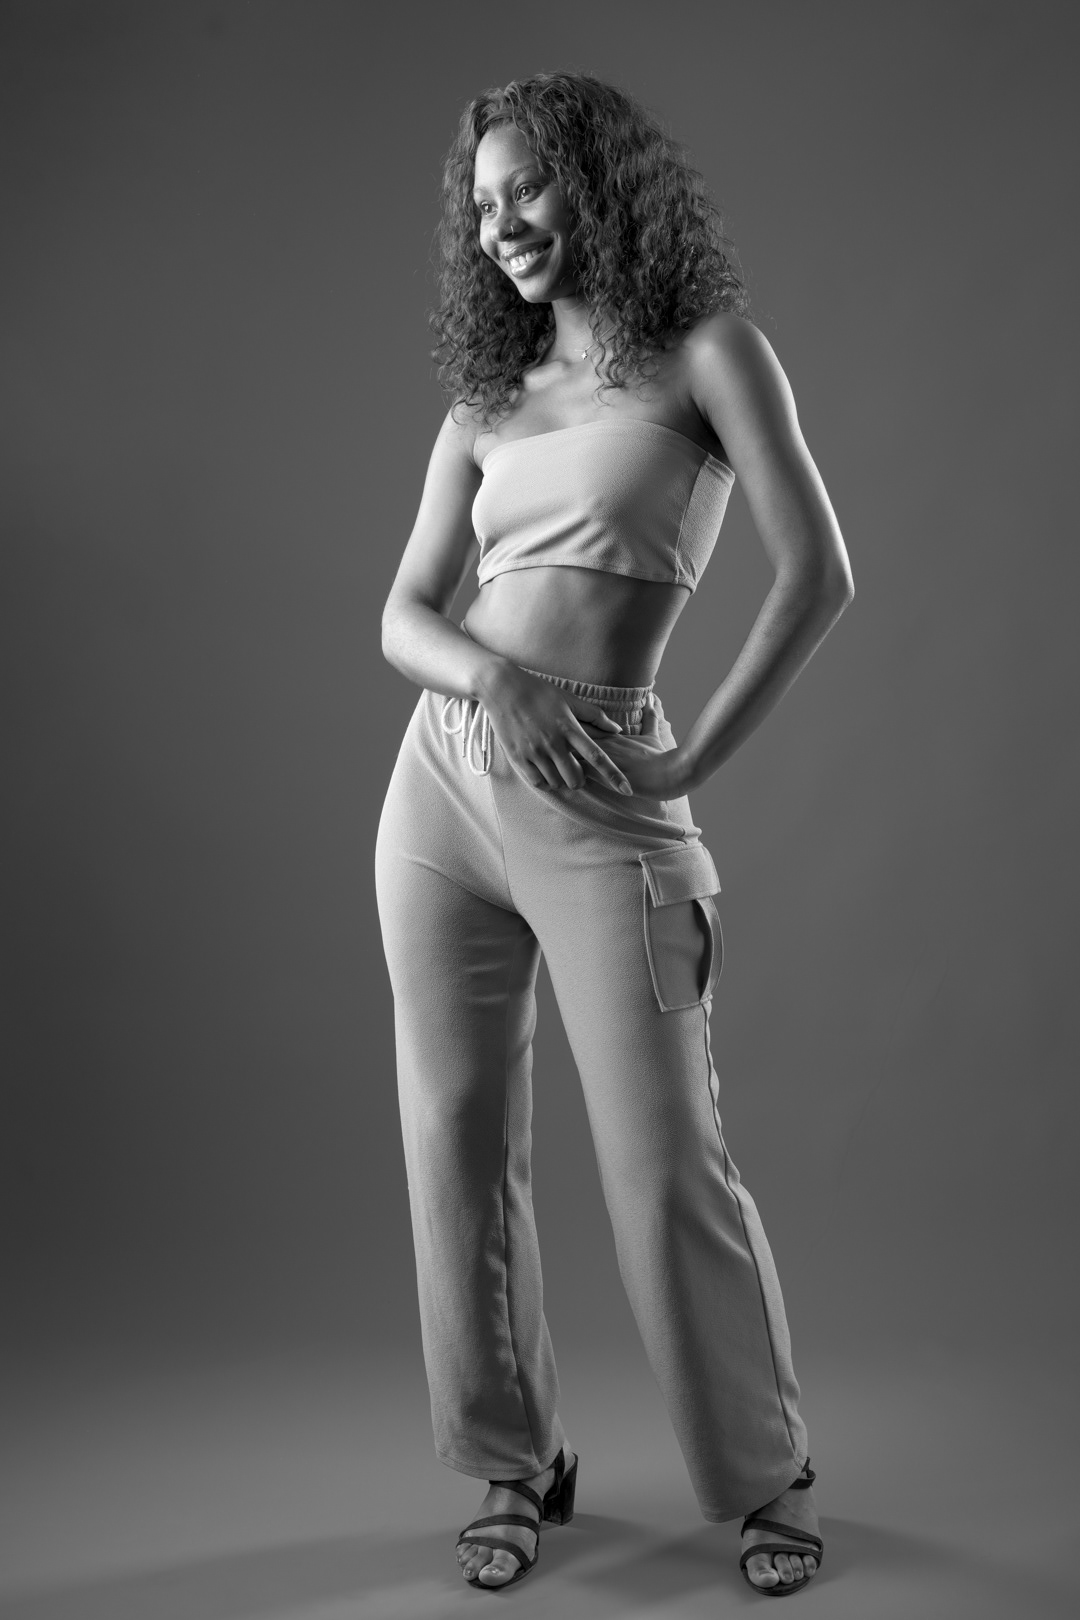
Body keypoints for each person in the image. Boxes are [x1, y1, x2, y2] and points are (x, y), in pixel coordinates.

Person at [375, 70, 853, 1598]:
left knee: (663, 1162)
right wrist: (493, 681)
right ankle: (514, 1461)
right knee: (454, 1143)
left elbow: (818, 572)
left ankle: (766, 1473)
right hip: (443, 788)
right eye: (483, 202)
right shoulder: (488, 400)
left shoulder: (711, 355)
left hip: (602, 794)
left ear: (601, 182)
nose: (502, 224)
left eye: (527, 187)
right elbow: (404, 615)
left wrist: (692, 754)